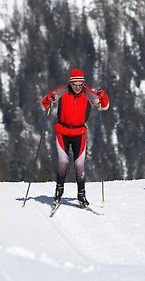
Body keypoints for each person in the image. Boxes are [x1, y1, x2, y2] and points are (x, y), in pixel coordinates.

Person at [41, 69, 109, 207]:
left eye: (80, 84)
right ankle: (59, 192)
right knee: (63, 162)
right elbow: (45, 103)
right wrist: (48, 99)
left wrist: (103, 96)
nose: (77, 87)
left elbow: (104, 106)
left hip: (79, 133)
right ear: (70, 83)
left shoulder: (88, 93)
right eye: (75, 84)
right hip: (62, 131)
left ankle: (81, 195)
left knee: (80, 165)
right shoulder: (63, 91)